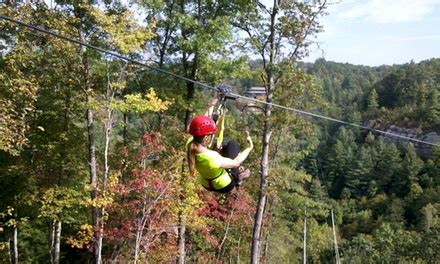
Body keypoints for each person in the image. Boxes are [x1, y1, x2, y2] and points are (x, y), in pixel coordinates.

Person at [186, 95, 253, 193]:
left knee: (224, 148)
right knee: (233, 144)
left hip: (206, 183)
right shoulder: (212, 157)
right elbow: (236, 163)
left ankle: (234, 170)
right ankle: (237, 176)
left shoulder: (189, 144)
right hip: (224, 185)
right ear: (206, 137)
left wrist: (216, 97)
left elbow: (204, 119)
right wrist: (249, 148)